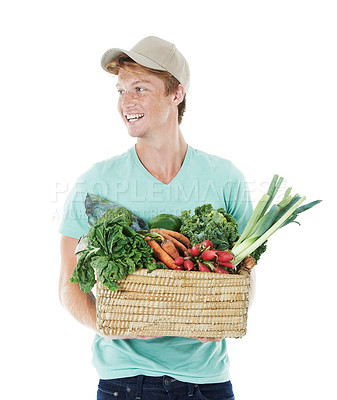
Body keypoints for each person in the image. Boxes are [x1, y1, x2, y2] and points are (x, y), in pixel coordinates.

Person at [59, 36, 256, 400]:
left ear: (176, 94)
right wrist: (110, 325)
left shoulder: (224, 177)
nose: (125, 103)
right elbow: (69, 285)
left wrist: (221, 321)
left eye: (139, 88)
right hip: (125, 382)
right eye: (120, 91)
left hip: (207, 381)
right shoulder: (96, 182)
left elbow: (245, 272)